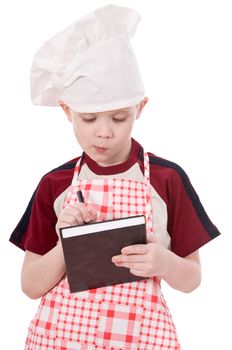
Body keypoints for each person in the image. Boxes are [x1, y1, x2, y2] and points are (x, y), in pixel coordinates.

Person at [9, 4, 221, 350]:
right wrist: (67, 243)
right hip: (63, 340)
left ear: (140, 108)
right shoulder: (55, 184)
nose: (104, 133)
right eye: (89, 119)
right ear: (67, 111)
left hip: (138, 339)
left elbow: (192, 279)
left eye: (119, 118)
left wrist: (163, 261)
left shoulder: (167, 179)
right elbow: (31, 286)